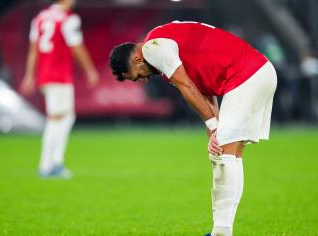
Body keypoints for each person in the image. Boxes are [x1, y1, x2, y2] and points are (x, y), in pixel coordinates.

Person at [109, 21, 277, 236]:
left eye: (138, 75)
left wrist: (214, 126)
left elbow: (187, 87)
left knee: (223, 155)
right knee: (229, 154)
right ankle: (221, 230)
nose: (142, 80)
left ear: (137, 58)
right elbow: (204, 87)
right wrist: (214, 126)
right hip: (256, 72)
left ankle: (221, 232)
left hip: (246, 75)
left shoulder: (153, 48)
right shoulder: (162, 43)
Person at [20, 0, 99, 178]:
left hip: (45, 75)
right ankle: (49, 164)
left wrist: (29, 75)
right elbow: (77, 47)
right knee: (56, 118)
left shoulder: (39, 18)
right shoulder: (68, 19)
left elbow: (33, 50)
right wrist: (90, 70)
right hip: (59, 75)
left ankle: (53, 162)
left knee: (66, 116)